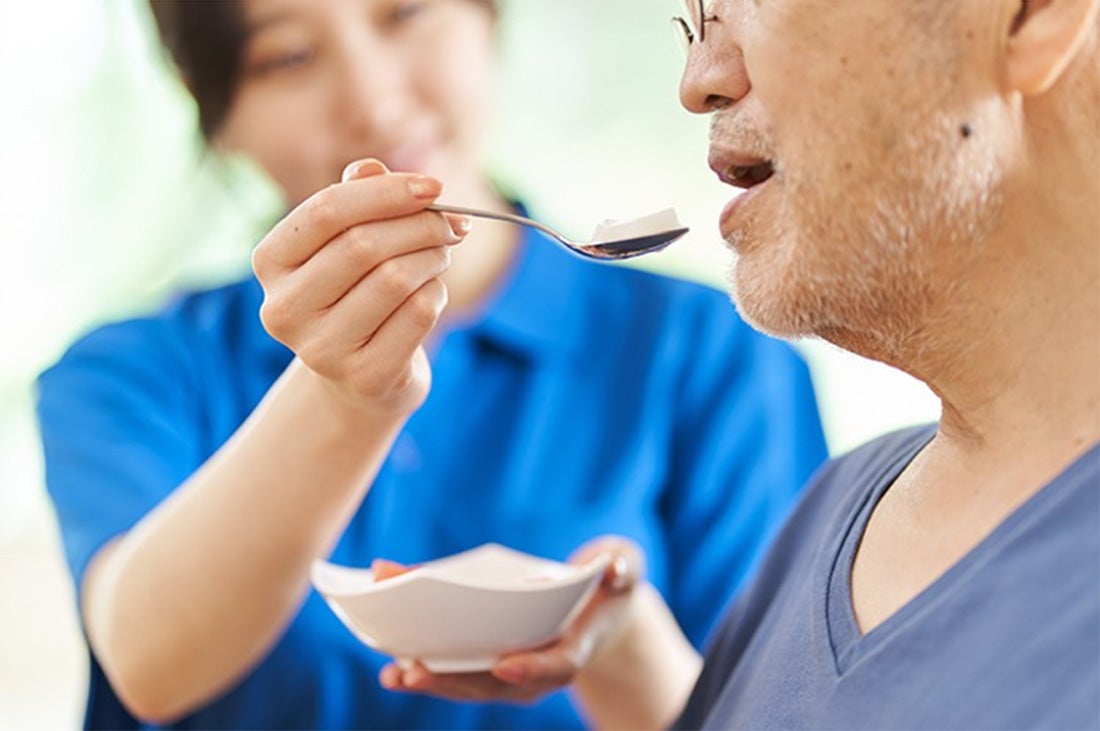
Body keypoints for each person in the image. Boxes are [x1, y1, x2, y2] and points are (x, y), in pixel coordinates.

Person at [35, 0, 828, 729]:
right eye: (286, 59)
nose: (374, 101)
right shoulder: (129, 374)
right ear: (210, 105)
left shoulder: (713, 355)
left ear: (486, 17)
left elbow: (779, 707)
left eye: (406, 12)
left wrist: (619, 651)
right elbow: (149, 667)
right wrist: (344, 396)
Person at [376, 0, 1100, 728]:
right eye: (693, 22)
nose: (699, 81)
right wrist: (622, 657)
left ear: (1030, 14)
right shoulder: (832, 516)